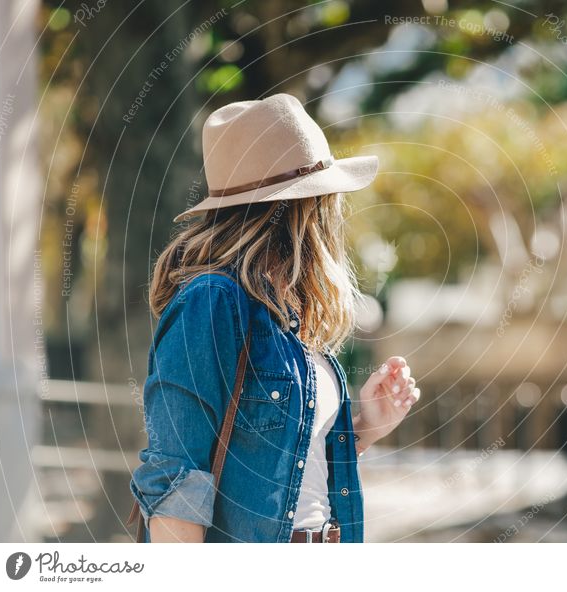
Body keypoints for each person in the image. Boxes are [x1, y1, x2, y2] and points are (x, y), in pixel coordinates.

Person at [128, 94, 419, 543]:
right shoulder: (213, 301)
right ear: (309, 208)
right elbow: (176, 480)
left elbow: (284, 470)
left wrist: (366, 427)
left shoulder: (289, 316)